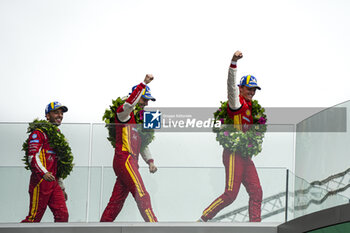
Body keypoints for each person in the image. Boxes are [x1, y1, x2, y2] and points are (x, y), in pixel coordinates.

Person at [199, 51, 263, 222]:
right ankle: (204, 218)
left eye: (254, 89)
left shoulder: (252, 108)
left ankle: (255, 226)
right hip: (233, 153)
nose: (252, 92)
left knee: (257, 191)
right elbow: (230, 86)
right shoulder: (236, 104)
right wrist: (233, 62)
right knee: (231, 194)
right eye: (249, 88)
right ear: (241, 88)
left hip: (245, 155)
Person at [100, 74, 158, 222]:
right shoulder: (124, 114)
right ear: (136, 96)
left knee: (116, 202)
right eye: (144, 99)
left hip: (131, 162)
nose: (146, 103)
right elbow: (128, 105)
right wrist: (143, 83)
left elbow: (143, 145)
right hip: (124, 159)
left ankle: (101, 228)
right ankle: (155, 227)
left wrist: (150, 161)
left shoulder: (139, 121)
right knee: (142, 194)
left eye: (148, 101)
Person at [22, 101, 69, 222]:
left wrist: (61, 187)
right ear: (47, 116)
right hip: (40, 181)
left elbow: (56, 165)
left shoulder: (57, 135)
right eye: (56, 112)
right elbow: (32, 156)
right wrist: (44, 173)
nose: (60, 115)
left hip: (53, 183)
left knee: (63, 216)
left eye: (61, 113)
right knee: (33, 218)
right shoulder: (38, 132)